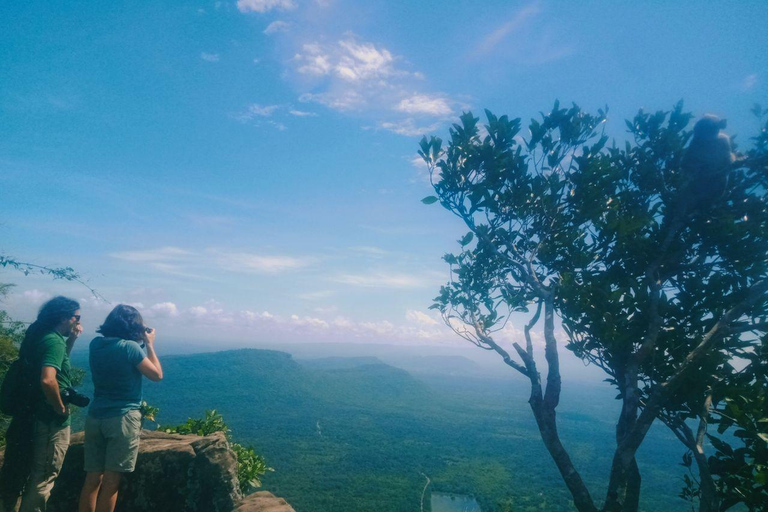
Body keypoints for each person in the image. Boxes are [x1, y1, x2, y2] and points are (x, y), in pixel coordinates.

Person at [0, 296, 83, 512]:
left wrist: (71, 341)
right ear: (65, 317)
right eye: (77, 317)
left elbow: (57, 362)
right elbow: (48, 379)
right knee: (44, 477)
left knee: (15, 474)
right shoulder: (54, 340)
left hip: (28, 415)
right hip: (48, 420)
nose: (78, 322)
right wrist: (59, 407)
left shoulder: (38, 335)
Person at [78, 305, 162, 512]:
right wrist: (149, 345)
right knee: (111, 481)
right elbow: (156, 375)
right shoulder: (129, 348)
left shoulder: (95, 344)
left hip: (96, 416)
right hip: (122, 418)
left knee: (92, 479)